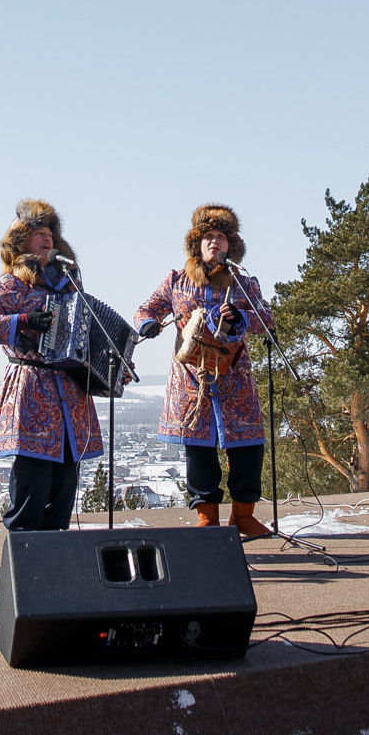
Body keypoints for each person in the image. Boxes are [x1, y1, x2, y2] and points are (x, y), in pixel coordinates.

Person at [134, 205, 273, 538]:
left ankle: (243, 516)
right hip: (191, 381)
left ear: (230, 246)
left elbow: (265, 320)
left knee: (247, 450)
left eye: (221, 238)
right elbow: (145, 309)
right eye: (208, 237)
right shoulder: (176, 281)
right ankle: (206, 516)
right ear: (196, 244)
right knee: (199, 452)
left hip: (234, 379)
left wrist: (240, 319)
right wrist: (148, 324)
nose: (214, 243)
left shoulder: (244, 283)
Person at [0, 199, 103, 530]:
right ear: (20, 240)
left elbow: (87, 330)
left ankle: (57, 562)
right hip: (31, 391)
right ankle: (24, 556)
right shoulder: (9, 283)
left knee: (64, 485)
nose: (46, 238)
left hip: (71, 395)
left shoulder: (70, 282)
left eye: (50, 233)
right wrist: (23, 321)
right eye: (38, 232)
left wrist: (107, 367)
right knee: (34, 482)